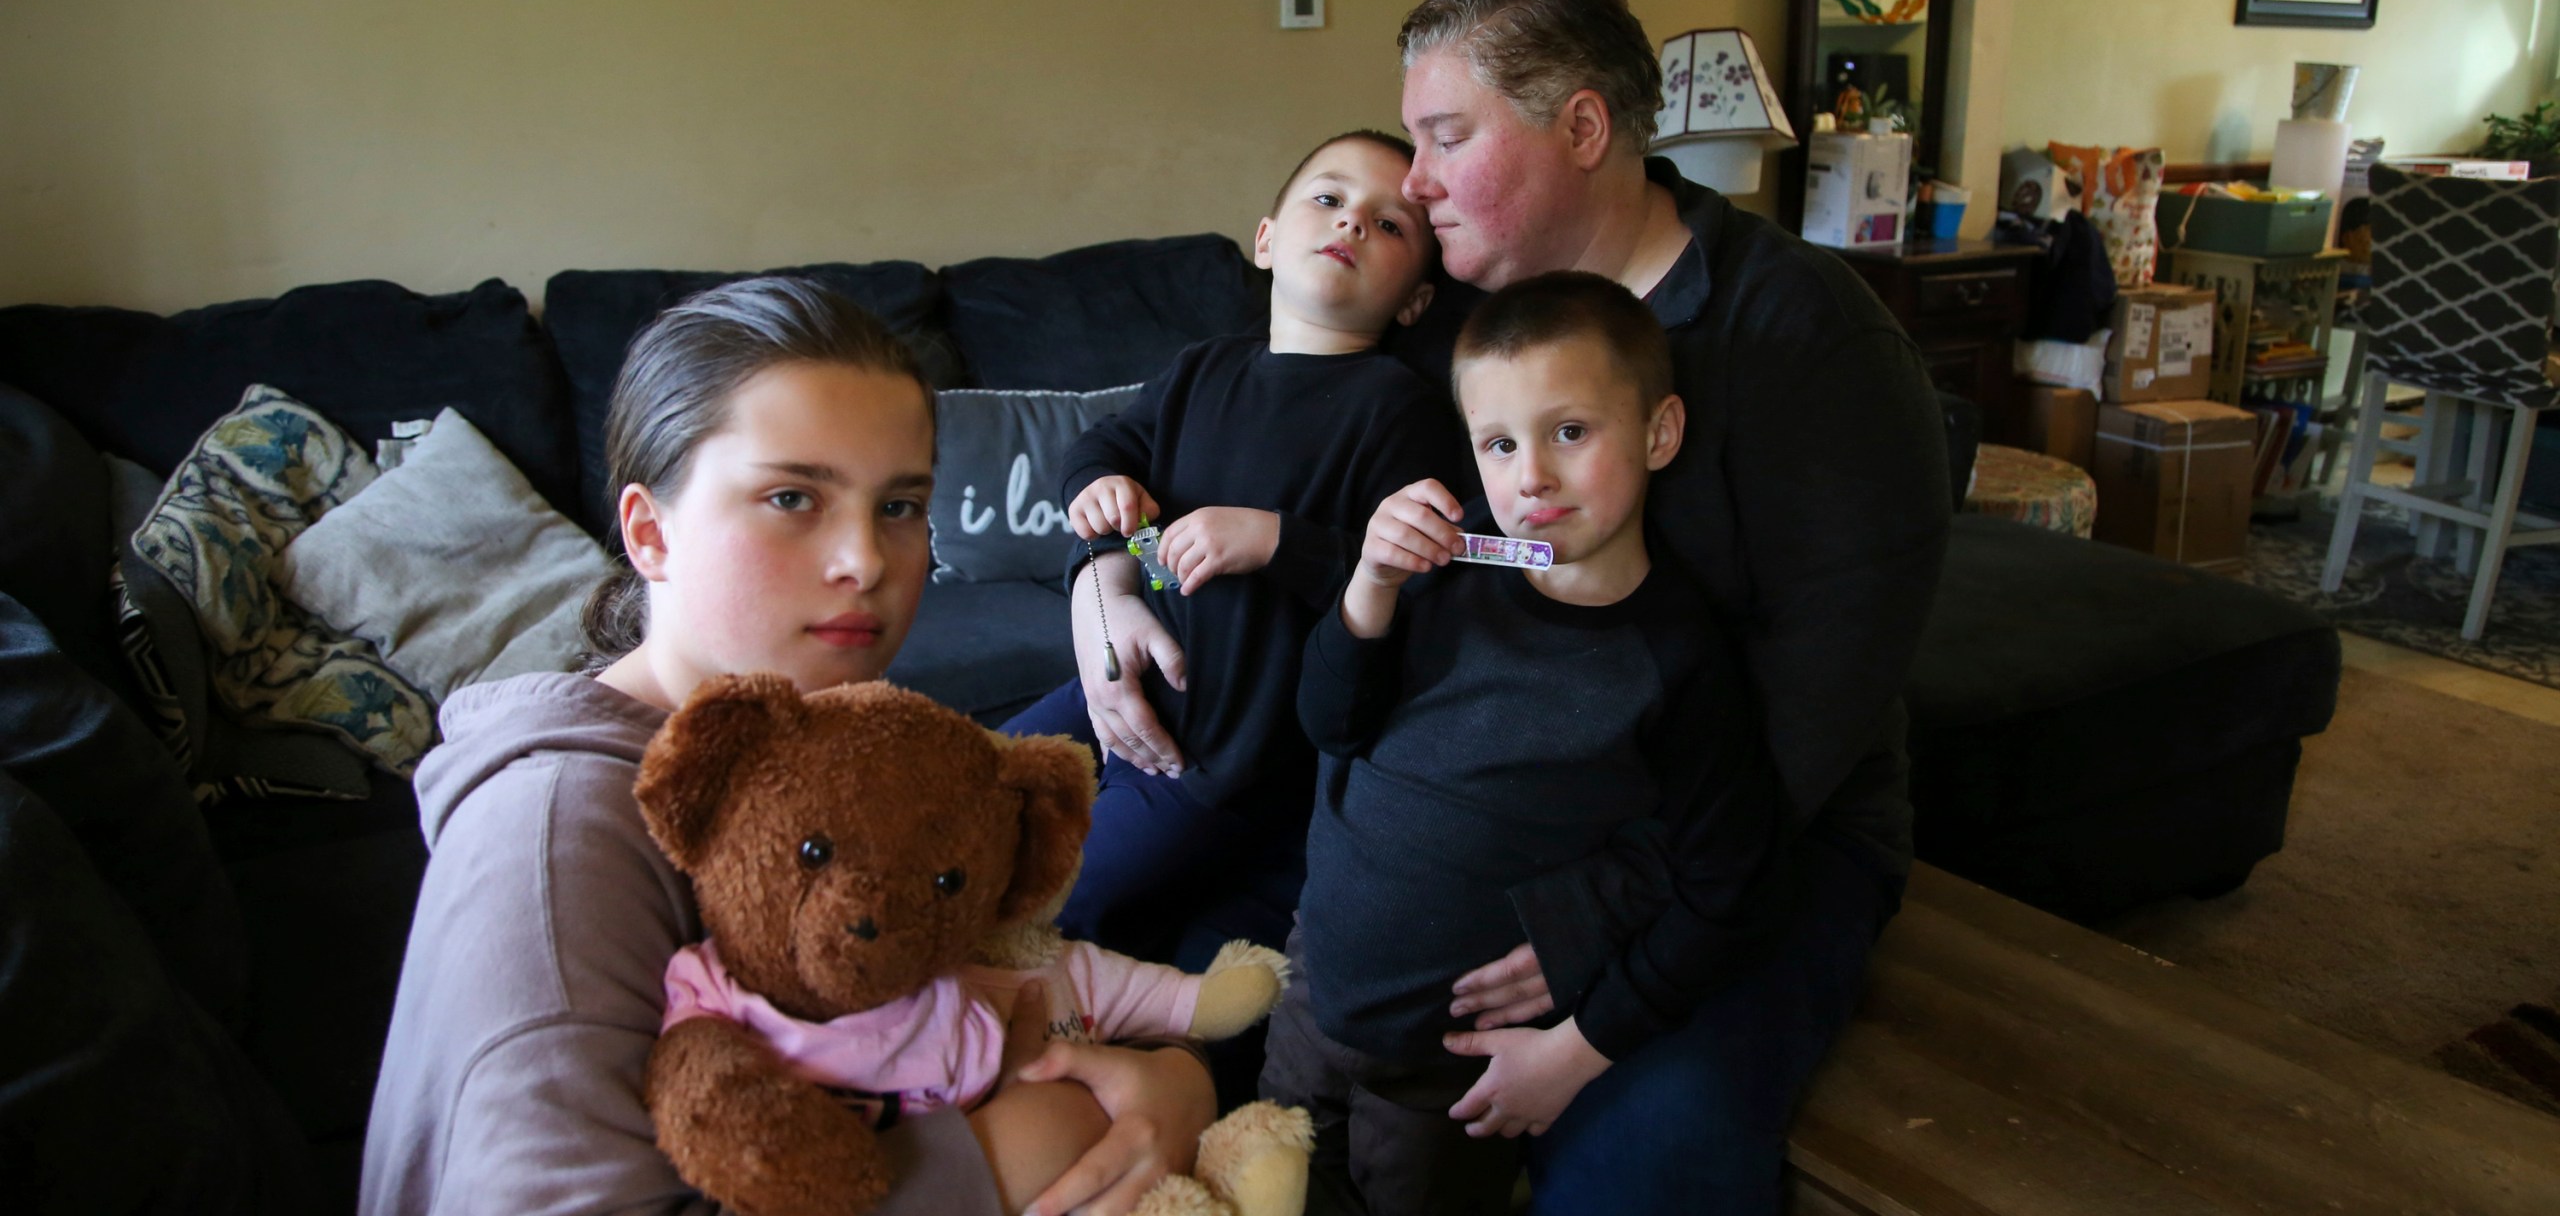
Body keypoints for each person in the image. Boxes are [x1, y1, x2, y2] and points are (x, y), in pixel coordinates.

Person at [360, 276, 1217, 1216]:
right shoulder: (557, 832)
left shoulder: (846, 752)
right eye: (791, 498)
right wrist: (1028, 1141)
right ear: (650, 533)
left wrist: (1172, 1084)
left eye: (899, 506)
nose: (866, 559)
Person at [1389, 0, 1952, 1213]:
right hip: (1529, 791)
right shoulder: (1459, 326)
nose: (1412, 184)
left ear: (1581, 127)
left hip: (1764, 837)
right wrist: (1109, 567)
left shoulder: (1806, 341)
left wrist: (1609, 905)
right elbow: (1261, 440)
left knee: (1639, 1161)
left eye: (1443, 138)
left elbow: (1826, 688)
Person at [1260, 274, 1790, 1216]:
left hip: (1451, 1073)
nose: (1530, 476)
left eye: (1571, 432)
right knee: (1265, 1184)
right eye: (1499, 445)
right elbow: (1330, 723)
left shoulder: (1678, 658)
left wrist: (1576, 1051)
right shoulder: (1445, 564)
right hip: (1314, 993)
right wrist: (1369, 587)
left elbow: (1728, 886)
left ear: (1659, 434)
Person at [1018, 131, 1466, 965]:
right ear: (1266, 240)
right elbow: (1102, 451)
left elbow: (1420, 583)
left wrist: (1277, 542)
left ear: (1414, 302)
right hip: (1111, 681)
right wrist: (1103, 506)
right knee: (959, 788)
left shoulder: (1397, 408)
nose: (1353, 224)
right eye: (1328, 200)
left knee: (1049, 904)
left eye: (1391, 224)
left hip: (1218, 762)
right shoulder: (1202, 369)